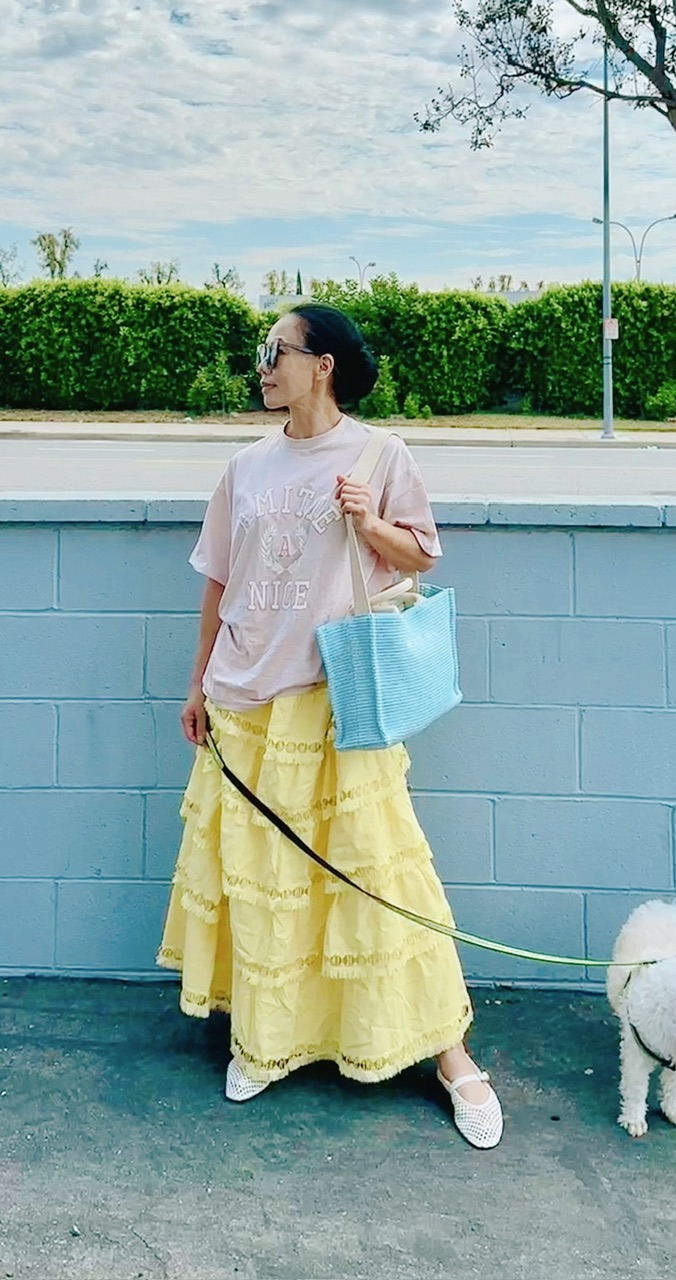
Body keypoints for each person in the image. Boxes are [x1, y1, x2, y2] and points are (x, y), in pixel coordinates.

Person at [157, 302, 503, 1149]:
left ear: (325, 366)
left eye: (279, 351)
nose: (264, 364)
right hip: (243, 701)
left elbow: (421, 554)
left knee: (377, 875)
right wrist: (198, 682)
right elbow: (217, 583)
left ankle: (451, 1057)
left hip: (336, 701)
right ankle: (266, 1042)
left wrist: (366, 521)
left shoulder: (381, 454)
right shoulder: (245, 468)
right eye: (263, 352)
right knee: (259, 877)